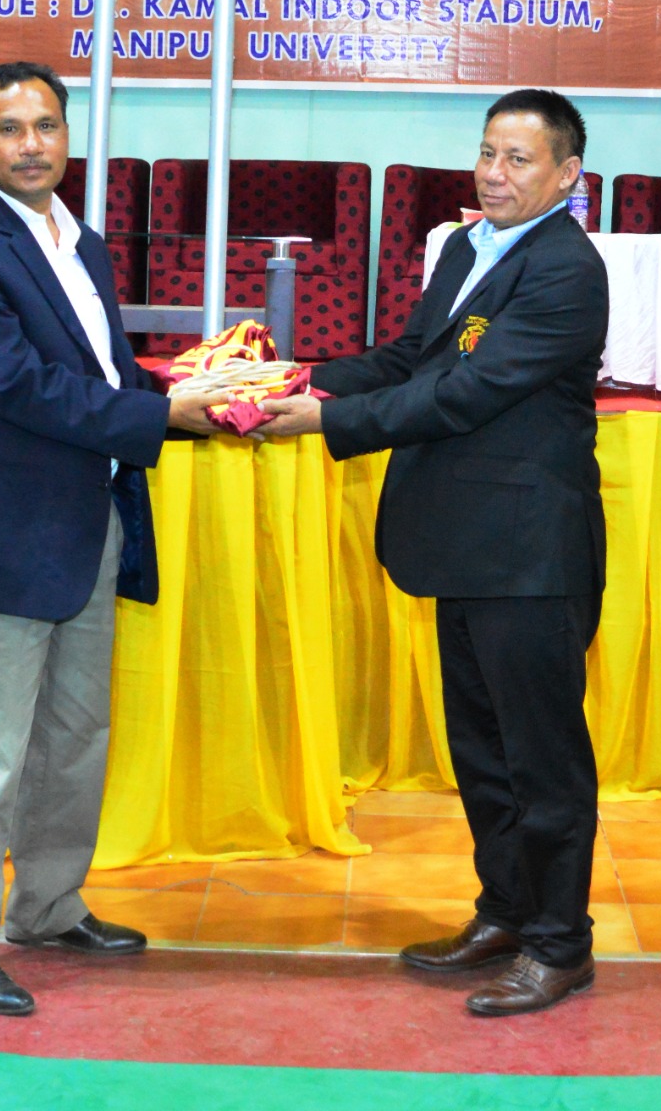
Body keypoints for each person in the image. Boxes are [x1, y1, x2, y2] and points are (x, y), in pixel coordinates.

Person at [256, 89, 609, 1018]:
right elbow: (413, 358)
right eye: (487, 152)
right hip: (461, 542)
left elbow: (467, 392)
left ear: (567, 175)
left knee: (543, 761)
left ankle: (560, 945)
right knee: (483, 752)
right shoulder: (463, 246)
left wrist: (324, 423)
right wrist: (296, 379)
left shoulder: (567, 270)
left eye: (518, 159)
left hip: (530, 554)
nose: (494, 173)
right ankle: (507, 912)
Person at [0, 62, 217, 1018]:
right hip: (0, 533)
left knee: (75, 738)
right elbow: (19, 386)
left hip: (90, 521)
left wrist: (203, 389)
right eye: (10, 129)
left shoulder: (80, 241)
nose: (32, 144)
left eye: (46, 125)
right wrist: (163, 416)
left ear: (66, 136)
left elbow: (102, 371)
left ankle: (45, 907)